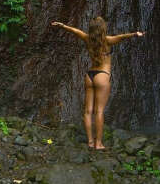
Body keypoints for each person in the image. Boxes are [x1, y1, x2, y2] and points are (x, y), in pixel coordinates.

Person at [51, 16, 145, 150]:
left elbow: (75, 31)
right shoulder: (107, 41)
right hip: (102, 75)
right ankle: (98, 143)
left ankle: (90, 141)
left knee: (88, 111)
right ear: (102, 29)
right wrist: (136, 34)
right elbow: (123, 36)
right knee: (99, 111)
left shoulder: (87, 38)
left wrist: (62, 25)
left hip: (89, 75)